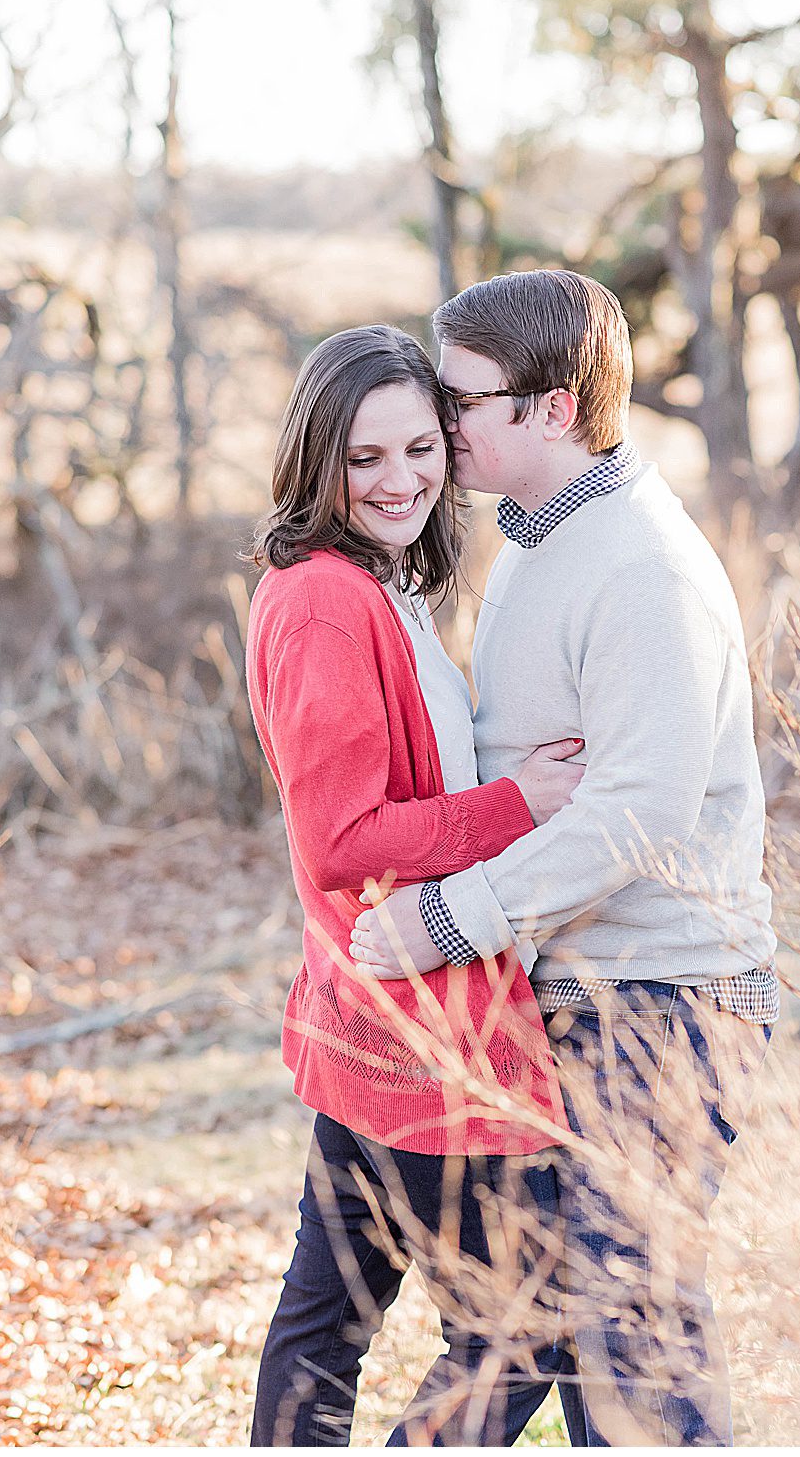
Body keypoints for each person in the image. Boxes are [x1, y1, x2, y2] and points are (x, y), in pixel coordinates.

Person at [351, 269, 779, 1445]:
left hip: (664, 1002)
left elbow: (633, 810)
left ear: (552, 407)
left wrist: (450, 917)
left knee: (634, 1351)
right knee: (533, 1320)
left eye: (460, 399)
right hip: (579, 992)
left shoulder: (640, 568)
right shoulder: (539, 543)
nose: (439, 425)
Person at [242, 324, 590, 1445]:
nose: (399, 480)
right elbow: (339, 837)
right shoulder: (321, 601)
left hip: (380, 1001)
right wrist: (517, 805)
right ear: (317, 462)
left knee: (327, 1311)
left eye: (417, 449)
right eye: (362, 458)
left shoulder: (377, 584)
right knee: (524, 1322)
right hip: (411, 1015)